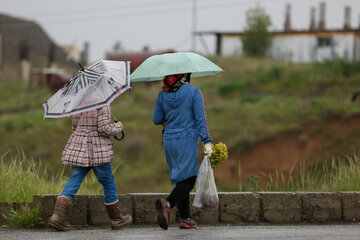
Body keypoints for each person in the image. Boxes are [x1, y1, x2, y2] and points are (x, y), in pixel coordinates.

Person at [48, 105, 132, 231]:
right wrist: (119, 126)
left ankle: (57, 216)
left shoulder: (80, 102)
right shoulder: (103, 104)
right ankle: (116, 218)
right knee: (108, 182)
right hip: (98, 150)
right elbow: (104, 128)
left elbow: (74, 126)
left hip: (81, 148)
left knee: (74, 180)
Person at [153, 73, 213, 230]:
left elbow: (156, 119)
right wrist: (207, 142)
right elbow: (201, 119)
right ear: (185, 76)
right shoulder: (194, 92)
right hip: (186, 140)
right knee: (190, 179)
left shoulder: (162, 95)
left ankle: (185, 218)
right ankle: (168, 204)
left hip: (169, 141)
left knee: (182, 178)